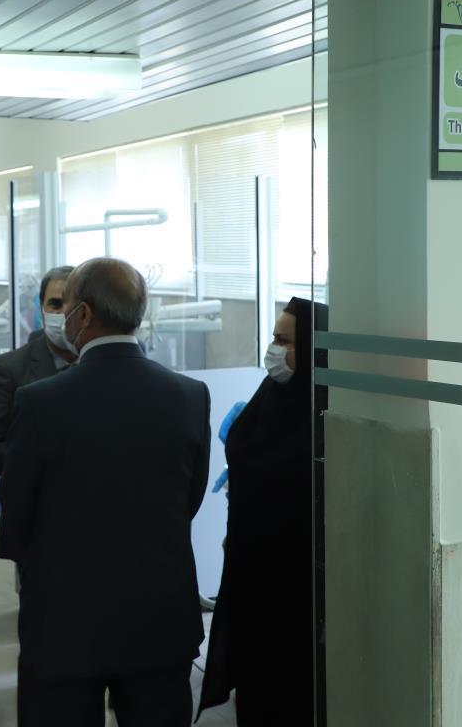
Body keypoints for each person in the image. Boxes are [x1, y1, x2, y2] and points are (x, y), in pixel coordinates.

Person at [0, 257, 211, 727]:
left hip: (64, 619)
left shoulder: (41, 402)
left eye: (68, 305)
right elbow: (189, 499)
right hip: (159, 618)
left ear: (85, 314)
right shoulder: (189, 395)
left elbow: (17, 512)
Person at [198, 297, 326, 725]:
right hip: (251, 570)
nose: (274, 350)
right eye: (274, 338)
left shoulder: (324, 411)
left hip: (296, 584)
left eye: (284, 340)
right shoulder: (269, 396)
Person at [0, 265, 76, 476]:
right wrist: (48, 466)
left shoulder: (100, 364)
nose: (64, 312)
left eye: (72, 304)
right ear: (42, 309)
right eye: (55, 304)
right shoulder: (10, 367)